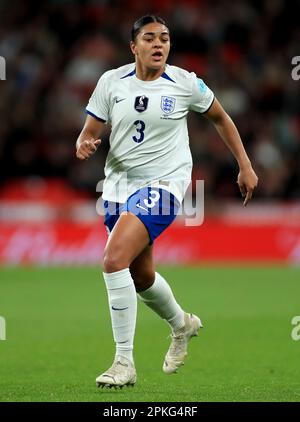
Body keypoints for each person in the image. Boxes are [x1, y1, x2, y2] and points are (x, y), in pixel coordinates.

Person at [75, 15, 258, 388]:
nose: (159, 45)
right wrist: (84, 143)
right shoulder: (111, 82)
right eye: (150, 38)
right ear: (134, 47)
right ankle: (182, 325)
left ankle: (123, 362)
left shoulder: (186, 83)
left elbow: (221, 118)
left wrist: (245, 164)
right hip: (117, 188)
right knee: (140, 276)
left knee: (112, 261)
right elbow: (90, 131)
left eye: (165, 38)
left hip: (164, 186)